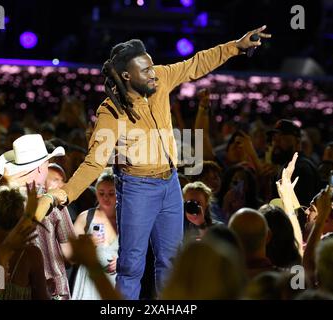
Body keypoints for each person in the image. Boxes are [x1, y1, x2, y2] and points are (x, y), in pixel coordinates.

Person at [56, 26, 271, 299]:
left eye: (151, 67)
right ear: (126, 76)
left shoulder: (160, 79)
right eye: (145, 70)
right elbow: (94, 163)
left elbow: (197, 63)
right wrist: (64, 193)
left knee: (171, 261)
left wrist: (235, 47)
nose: (152, 73)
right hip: (137, 188)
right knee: (131, 266)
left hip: (170, 184)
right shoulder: (111, 112)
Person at [0, 134, 75, 300]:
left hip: (4, 291)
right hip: (52, 293)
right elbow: (71, 255)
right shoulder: (54, 202)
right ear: (41, 167)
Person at [72, 169, 118, 300]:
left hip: (115, 282)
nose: (106, 198)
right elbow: (69, 256)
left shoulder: (126, 220)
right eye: (101, 193)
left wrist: (123, 261)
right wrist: (85, 245)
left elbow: (139, 252)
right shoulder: (86, 217)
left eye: (111, 193)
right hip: (88, 282)